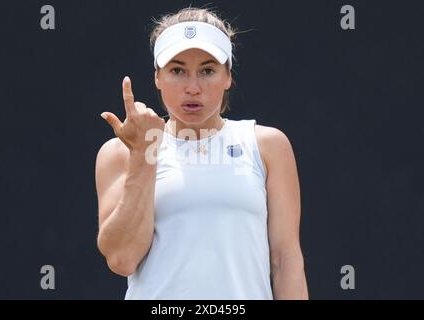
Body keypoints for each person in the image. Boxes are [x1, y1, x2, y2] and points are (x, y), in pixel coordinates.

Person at [95, 7, 308, 300]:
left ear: (227, 76)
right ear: (157, 77)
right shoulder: (121, 152)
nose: (192, 88)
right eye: (177, 70)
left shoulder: (268, 145)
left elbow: (286, 261)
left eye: (207, 70)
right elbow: (121, 259)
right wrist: (144, 153)